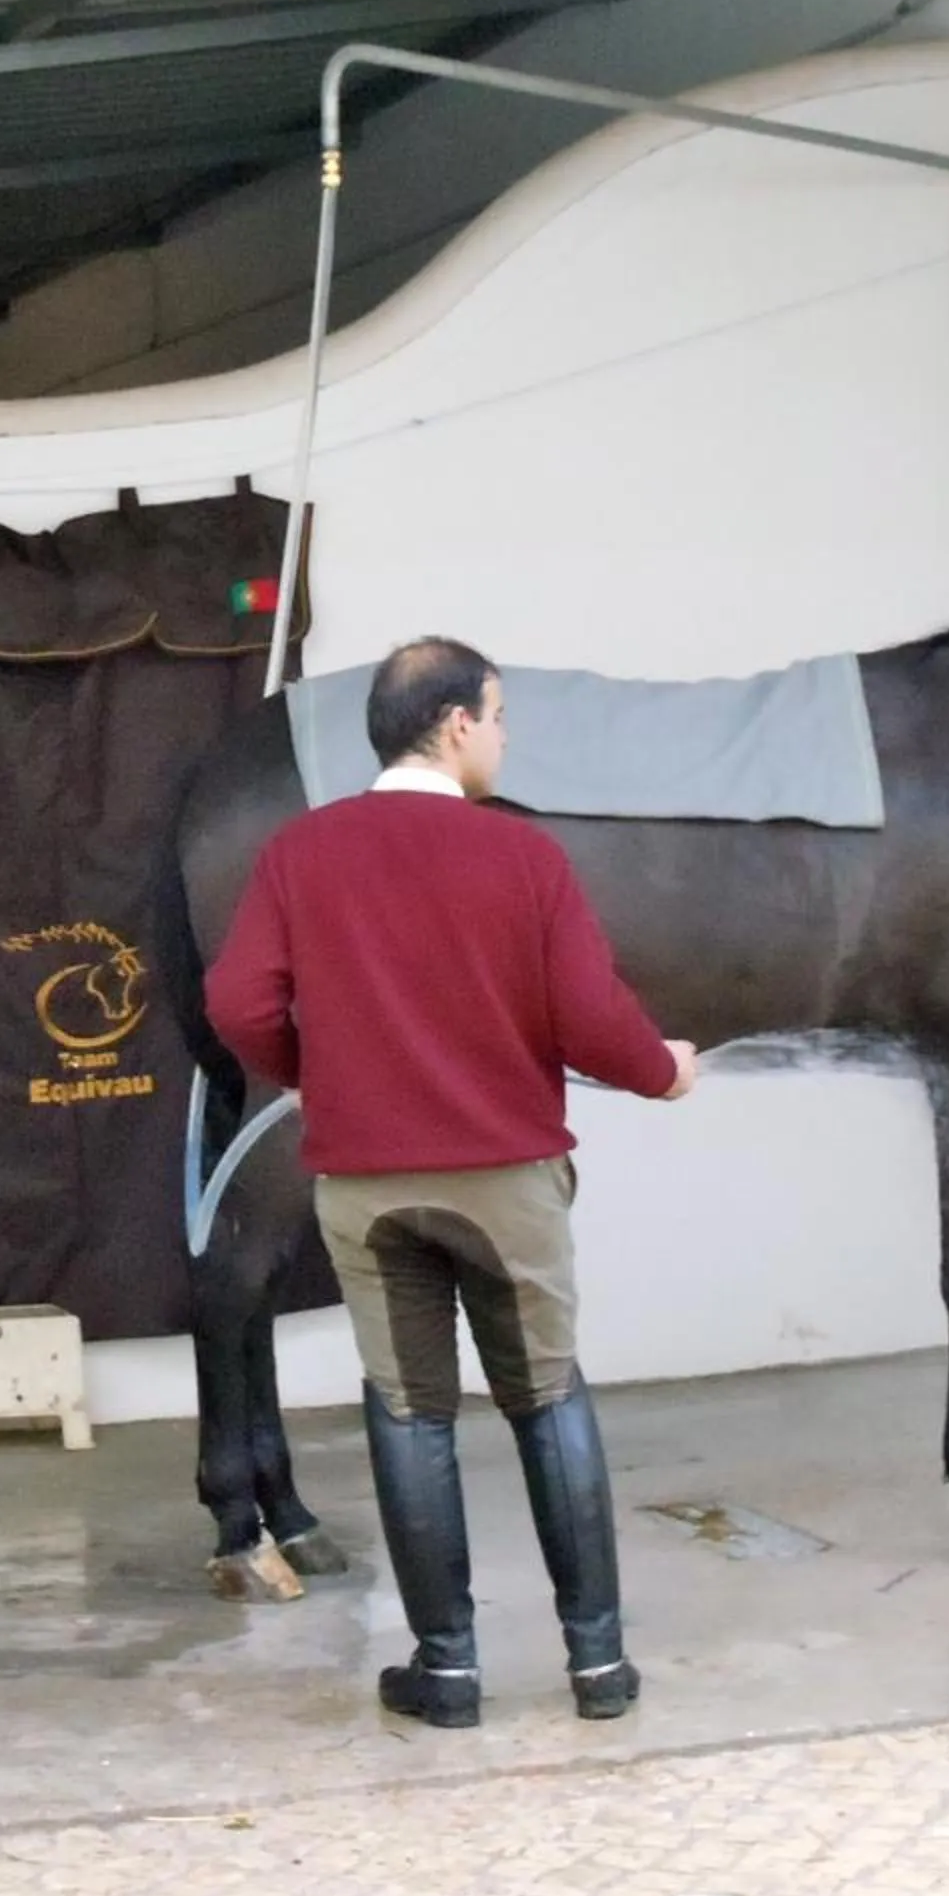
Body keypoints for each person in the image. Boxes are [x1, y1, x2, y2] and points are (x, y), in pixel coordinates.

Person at [205, 638, 697, 1729]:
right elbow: (590, 1015)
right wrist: (665, 1071)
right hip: (507, 1179)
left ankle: (449, 1669)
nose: (506, 735)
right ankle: (597, 1666)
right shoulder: (523, 858)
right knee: (547, 1395)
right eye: (500, 714)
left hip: (367, 1185)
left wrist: (324, 1075)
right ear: (457, 725)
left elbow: (239, 1004)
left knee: (410, 1410)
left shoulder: (302, 854)